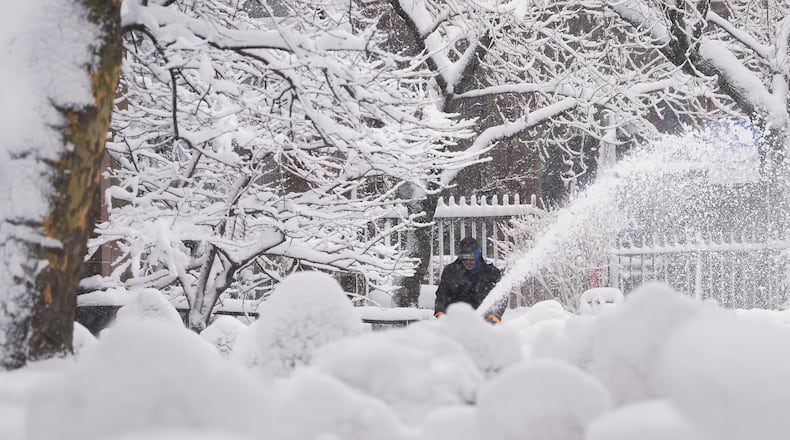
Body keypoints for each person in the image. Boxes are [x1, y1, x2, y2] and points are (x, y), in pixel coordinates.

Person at [433, 236, 505, 323]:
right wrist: (440, 313)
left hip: (483, 322)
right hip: (454, 322)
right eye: (464, 257)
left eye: (471, 257)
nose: (467, 261)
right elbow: (442, 295)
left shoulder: (491, 273)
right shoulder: (450, 271)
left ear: (478, 255)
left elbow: (500, 297)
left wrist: (495, 315)